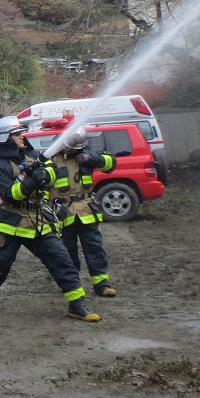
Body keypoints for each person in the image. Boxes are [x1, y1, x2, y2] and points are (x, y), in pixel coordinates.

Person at [0, 116, 100, 322]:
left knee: (61, 259)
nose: (21, 137)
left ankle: (77, 305)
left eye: (21, 133)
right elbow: (11, 195)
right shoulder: (1, 168)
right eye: (16, 134)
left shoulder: (34, 155)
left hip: (39, 221)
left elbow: (52, 171)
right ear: (5, 138)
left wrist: (44, 174)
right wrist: (32, 180)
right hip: (11, 225)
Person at [50, 126, 119, 298]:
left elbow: (111, 164)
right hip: (63, 212)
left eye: (75, 147)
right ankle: (73, 284)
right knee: (67, 251)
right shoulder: (51, 158)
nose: (72, 150)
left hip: (86, 210)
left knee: (94, 247)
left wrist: (91, 157)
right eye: (70, 146)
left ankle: (102, 283)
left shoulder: (87, 155)